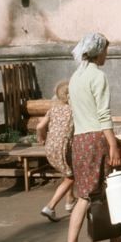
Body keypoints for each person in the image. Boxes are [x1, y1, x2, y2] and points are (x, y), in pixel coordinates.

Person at [63, 32, 121, 242]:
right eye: (105, 50)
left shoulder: (75, 77)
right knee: (108, 188)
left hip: (80, 139)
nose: (107, 54)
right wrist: (113, 144)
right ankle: (112, 239)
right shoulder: (98, 76)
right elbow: (103, 114)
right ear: (98, 51)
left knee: (89, 192)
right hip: (97, 139)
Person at [37, 81, 77, 222]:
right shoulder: (74, 110)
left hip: (51, 147)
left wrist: (41, 138)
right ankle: (50, 206)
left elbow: (39, 126)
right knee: (71, 176)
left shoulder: (53, 109)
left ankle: (70, 200)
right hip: (63, 148)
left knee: (68, 171)